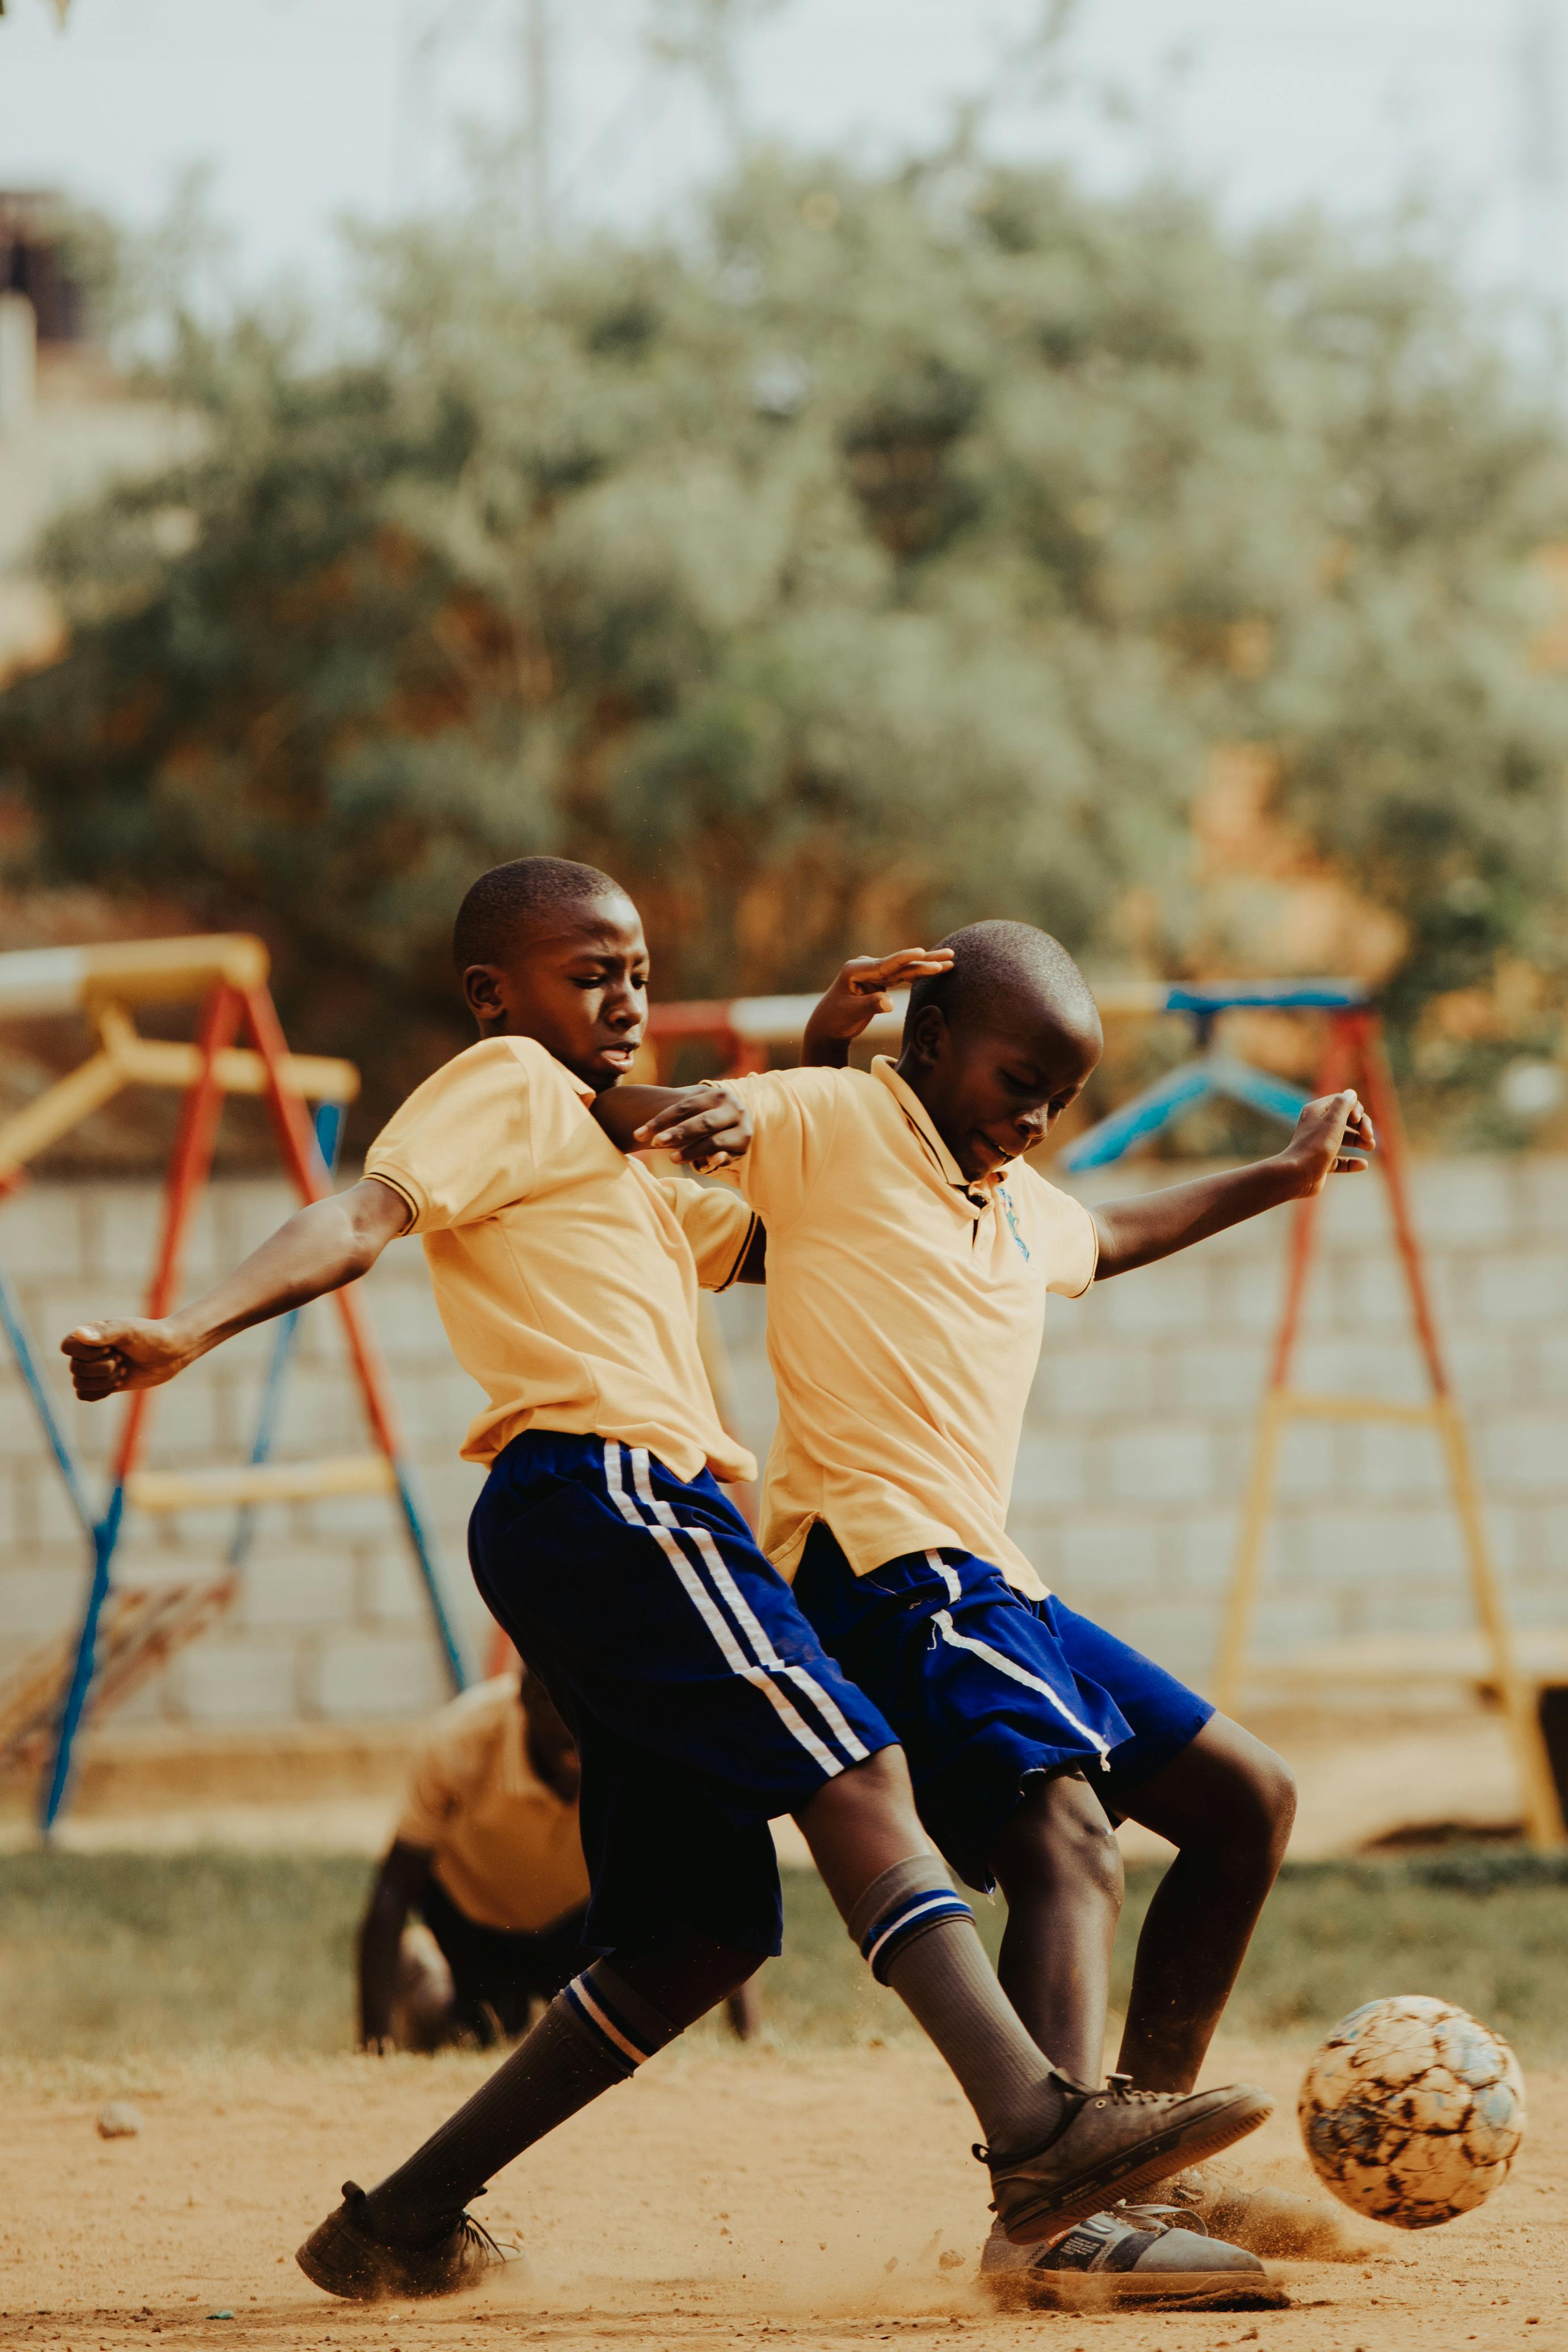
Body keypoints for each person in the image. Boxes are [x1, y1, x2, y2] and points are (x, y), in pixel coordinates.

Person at [61, 863, 1271, 2307]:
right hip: (609, 1487)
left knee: (691, 1935)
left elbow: (825, 1227)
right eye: (590, 971)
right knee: (857, 1769)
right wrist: (190, 1327)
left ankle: (400, 2220)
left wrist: (825, 1065)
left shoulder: (621, 1169)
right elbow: (361, 1215)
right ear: (493, 995)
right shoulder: (505, 1083)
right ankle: (1041, 2135)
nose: (625, 997)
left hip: (605, 1514)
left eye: (637, 969)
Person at [605, 921, 1371, 2304]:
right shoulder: (843, 1118)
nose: (1030, 1117)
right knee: (1067, 1839)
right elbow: (707, 1120)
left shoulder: (1013, 1203)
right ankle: (1049, 2210)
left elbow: (1112, 1232)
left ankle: (1124, 2155)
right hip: (882, 1566)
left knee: (1242, 1802)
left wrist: (1281, 1171)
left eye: (1057, 1100)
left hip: (988, 1575)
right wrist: (768, 1072)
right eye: (1016, 1079)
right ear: (932, 1042)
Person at [361, 1665, 759, 2051]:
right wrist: (375, 2044)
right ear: (527, 1700)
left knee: (606, 2034)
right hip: (472, 1919)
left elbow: (708, 1884)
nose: (577, 1749)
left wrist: (748, 2035)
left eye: (588, 1724)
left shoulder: (646, 1736)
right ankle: (424, 1972)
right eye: (560, 1726)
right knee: (471, 2033)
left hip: (580, 1921)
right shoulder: (461, 1739)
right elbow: (394, 1889)